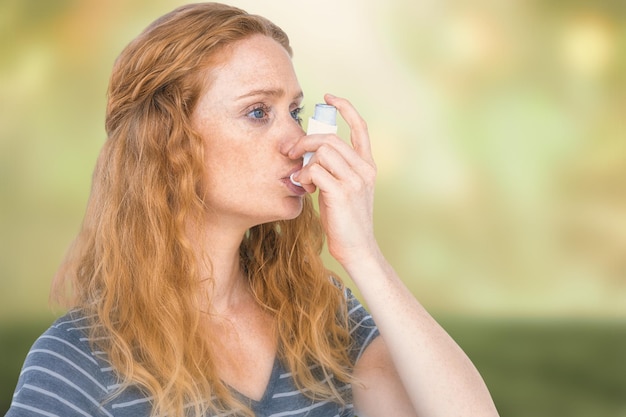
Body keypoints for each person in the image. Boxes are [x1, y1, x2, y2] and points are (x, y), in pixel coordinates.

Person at [6, 3, 499, 417]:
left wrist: (362, 254)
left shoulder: (321, 316)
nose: (297, 141)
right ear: (168, 142)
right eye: (258, 112)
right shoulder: (76, 361)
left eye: (295, 111)